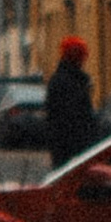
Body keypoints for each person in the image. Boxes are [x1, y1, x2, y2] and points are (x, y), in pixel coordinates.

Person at [43, 37, 97, 165]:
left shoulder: (60, 80)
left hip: (63, 144)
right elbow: (76, 114)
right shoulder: (72, 81)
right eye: (81, 55)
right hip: (72, 144)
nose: (83, 59)